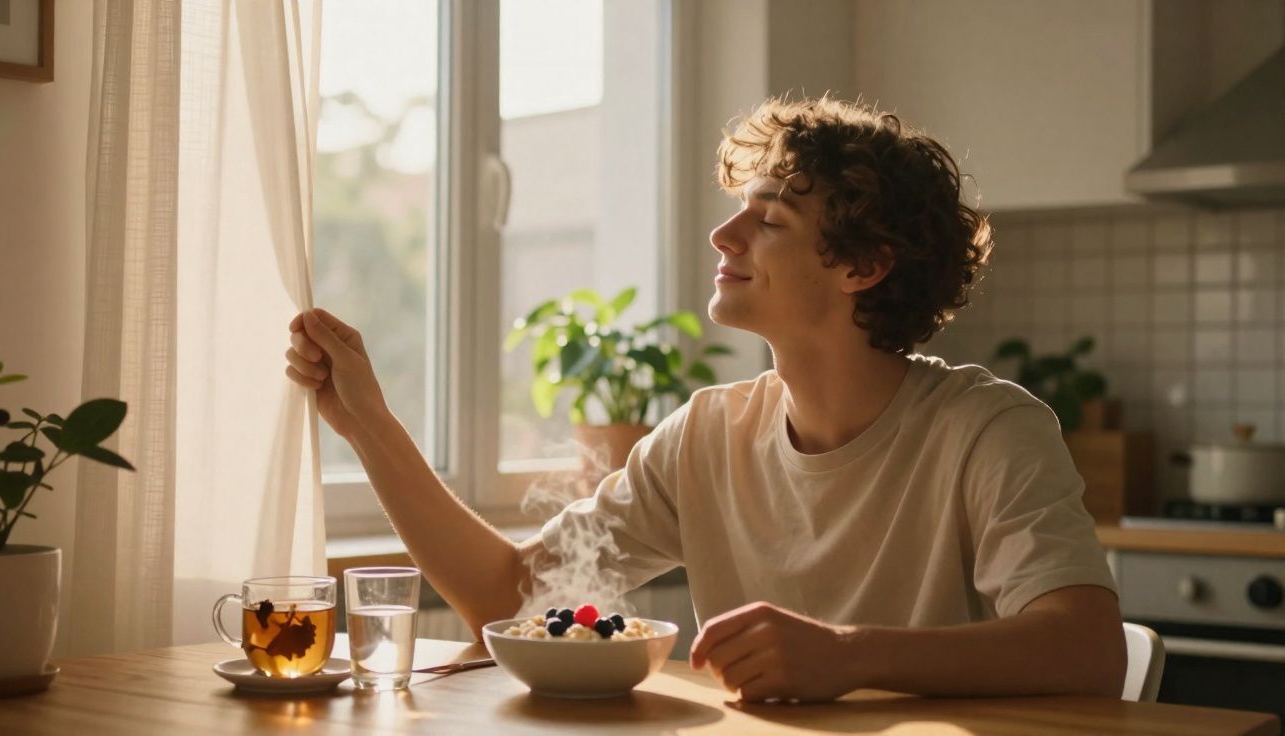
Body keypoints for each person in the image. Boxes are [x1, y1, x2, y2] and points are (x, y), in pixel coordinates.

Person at [285, 96, 1125, 703]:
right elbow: (510, 598)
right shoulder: (706, 435)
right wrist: (370, 427)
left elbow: (1087, 649)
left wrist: (851, 656)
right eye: (736, 213)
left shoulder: (988, 429)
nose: (725, 236)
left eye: (770, 220)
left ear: (862, 266)